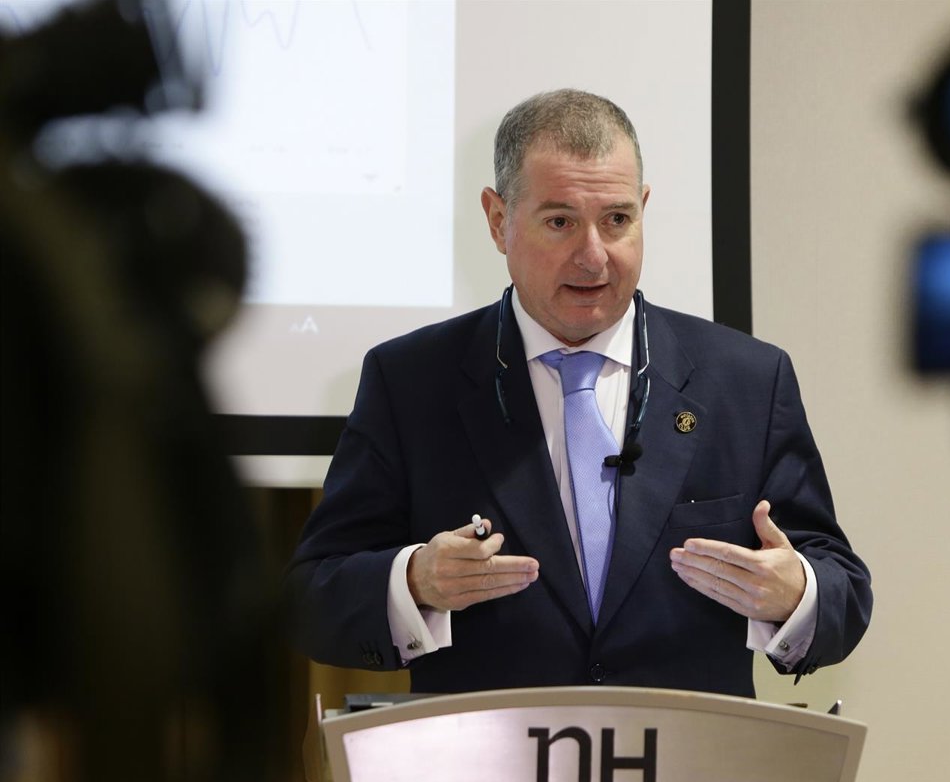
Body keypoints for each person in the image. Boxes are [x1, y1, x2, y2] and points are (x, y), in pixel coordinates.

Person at [285, 89, 871, 698]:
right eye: (560, 222)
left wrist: (794, 595)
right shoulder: (410, 380)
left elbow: (842, 589)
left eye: (617, 220)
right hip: (487, 751)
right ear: (498, 220)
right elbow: (314, 595)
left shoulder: (747, 381)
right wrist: (415, 582)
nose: (593, 257)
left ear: (643, 210)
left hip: (685, 751)